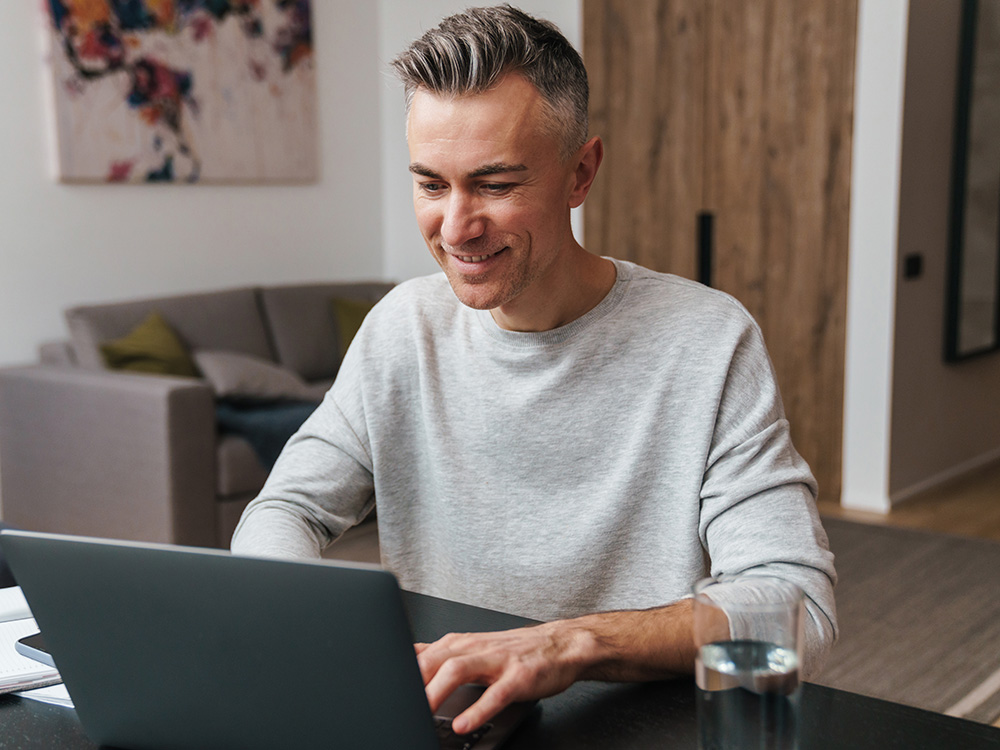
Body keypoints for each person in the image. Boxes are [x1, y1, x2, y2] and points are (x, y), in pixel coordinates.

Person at [232, 4, 837, 736]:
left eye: (494, 185)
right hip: (455, 721)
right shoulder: (402, 327)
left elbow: (796, 607)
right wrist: (307, 619)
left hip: (630, 726)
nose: (457, 228)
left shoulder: (707, 340)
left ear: (580, 172)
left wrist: (569, 644)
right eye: (431, 185)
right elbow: (284, 510)